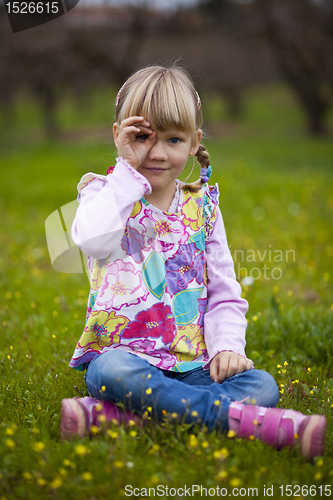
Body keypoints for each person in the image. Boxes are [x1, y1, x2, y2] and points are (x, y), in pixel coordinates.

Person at [60, 65, 326, 460]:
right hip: (126, 358)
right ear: (119, 136)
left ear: (193, 141)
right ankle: (244, 421)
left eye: (173, 139)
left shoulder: (202, 208)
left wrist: (226, 348)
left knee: (262, 385)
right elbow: (93, 242)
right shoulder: (105, 194)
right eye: (143, 138)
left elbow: (223, 291)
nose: (158, 152)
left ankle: (120, 417)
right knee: (108, 372)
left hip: (195, 364)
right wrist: (126, 175)